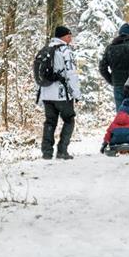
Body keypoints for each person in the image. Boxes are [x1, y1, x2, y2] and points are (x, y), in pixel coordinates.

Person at [38, 25, 81, 160]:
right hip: (61, 94)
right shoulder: (65, 51)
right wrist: (76, 94)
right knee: (69, 120)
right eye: (69, 36)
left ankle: (47, 152)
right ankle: (62, 150)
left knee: (50, 122)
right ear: (63, 37)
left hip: (46, 93)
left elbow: (39, 74)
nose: (71, 38)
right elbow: (71, 74)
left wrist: (39, 95)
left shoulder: (45, 50)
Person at [99, 23, 129, 126]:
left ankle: (122, 136)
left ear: (119, 34)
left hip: (118, 84)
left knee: (121, 111)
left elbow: (102, 67)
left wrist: (111, 80)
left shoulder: (110, 48)